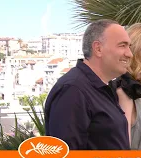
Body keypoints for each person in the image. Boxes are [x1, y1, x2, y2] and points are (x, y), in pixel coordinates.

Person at [44, 19, 133, 150]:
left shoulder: (102, 88)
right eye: (122, 45)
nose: (129, 54)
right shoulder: (73, 90)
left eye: (129, 46)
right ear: (98, 49)